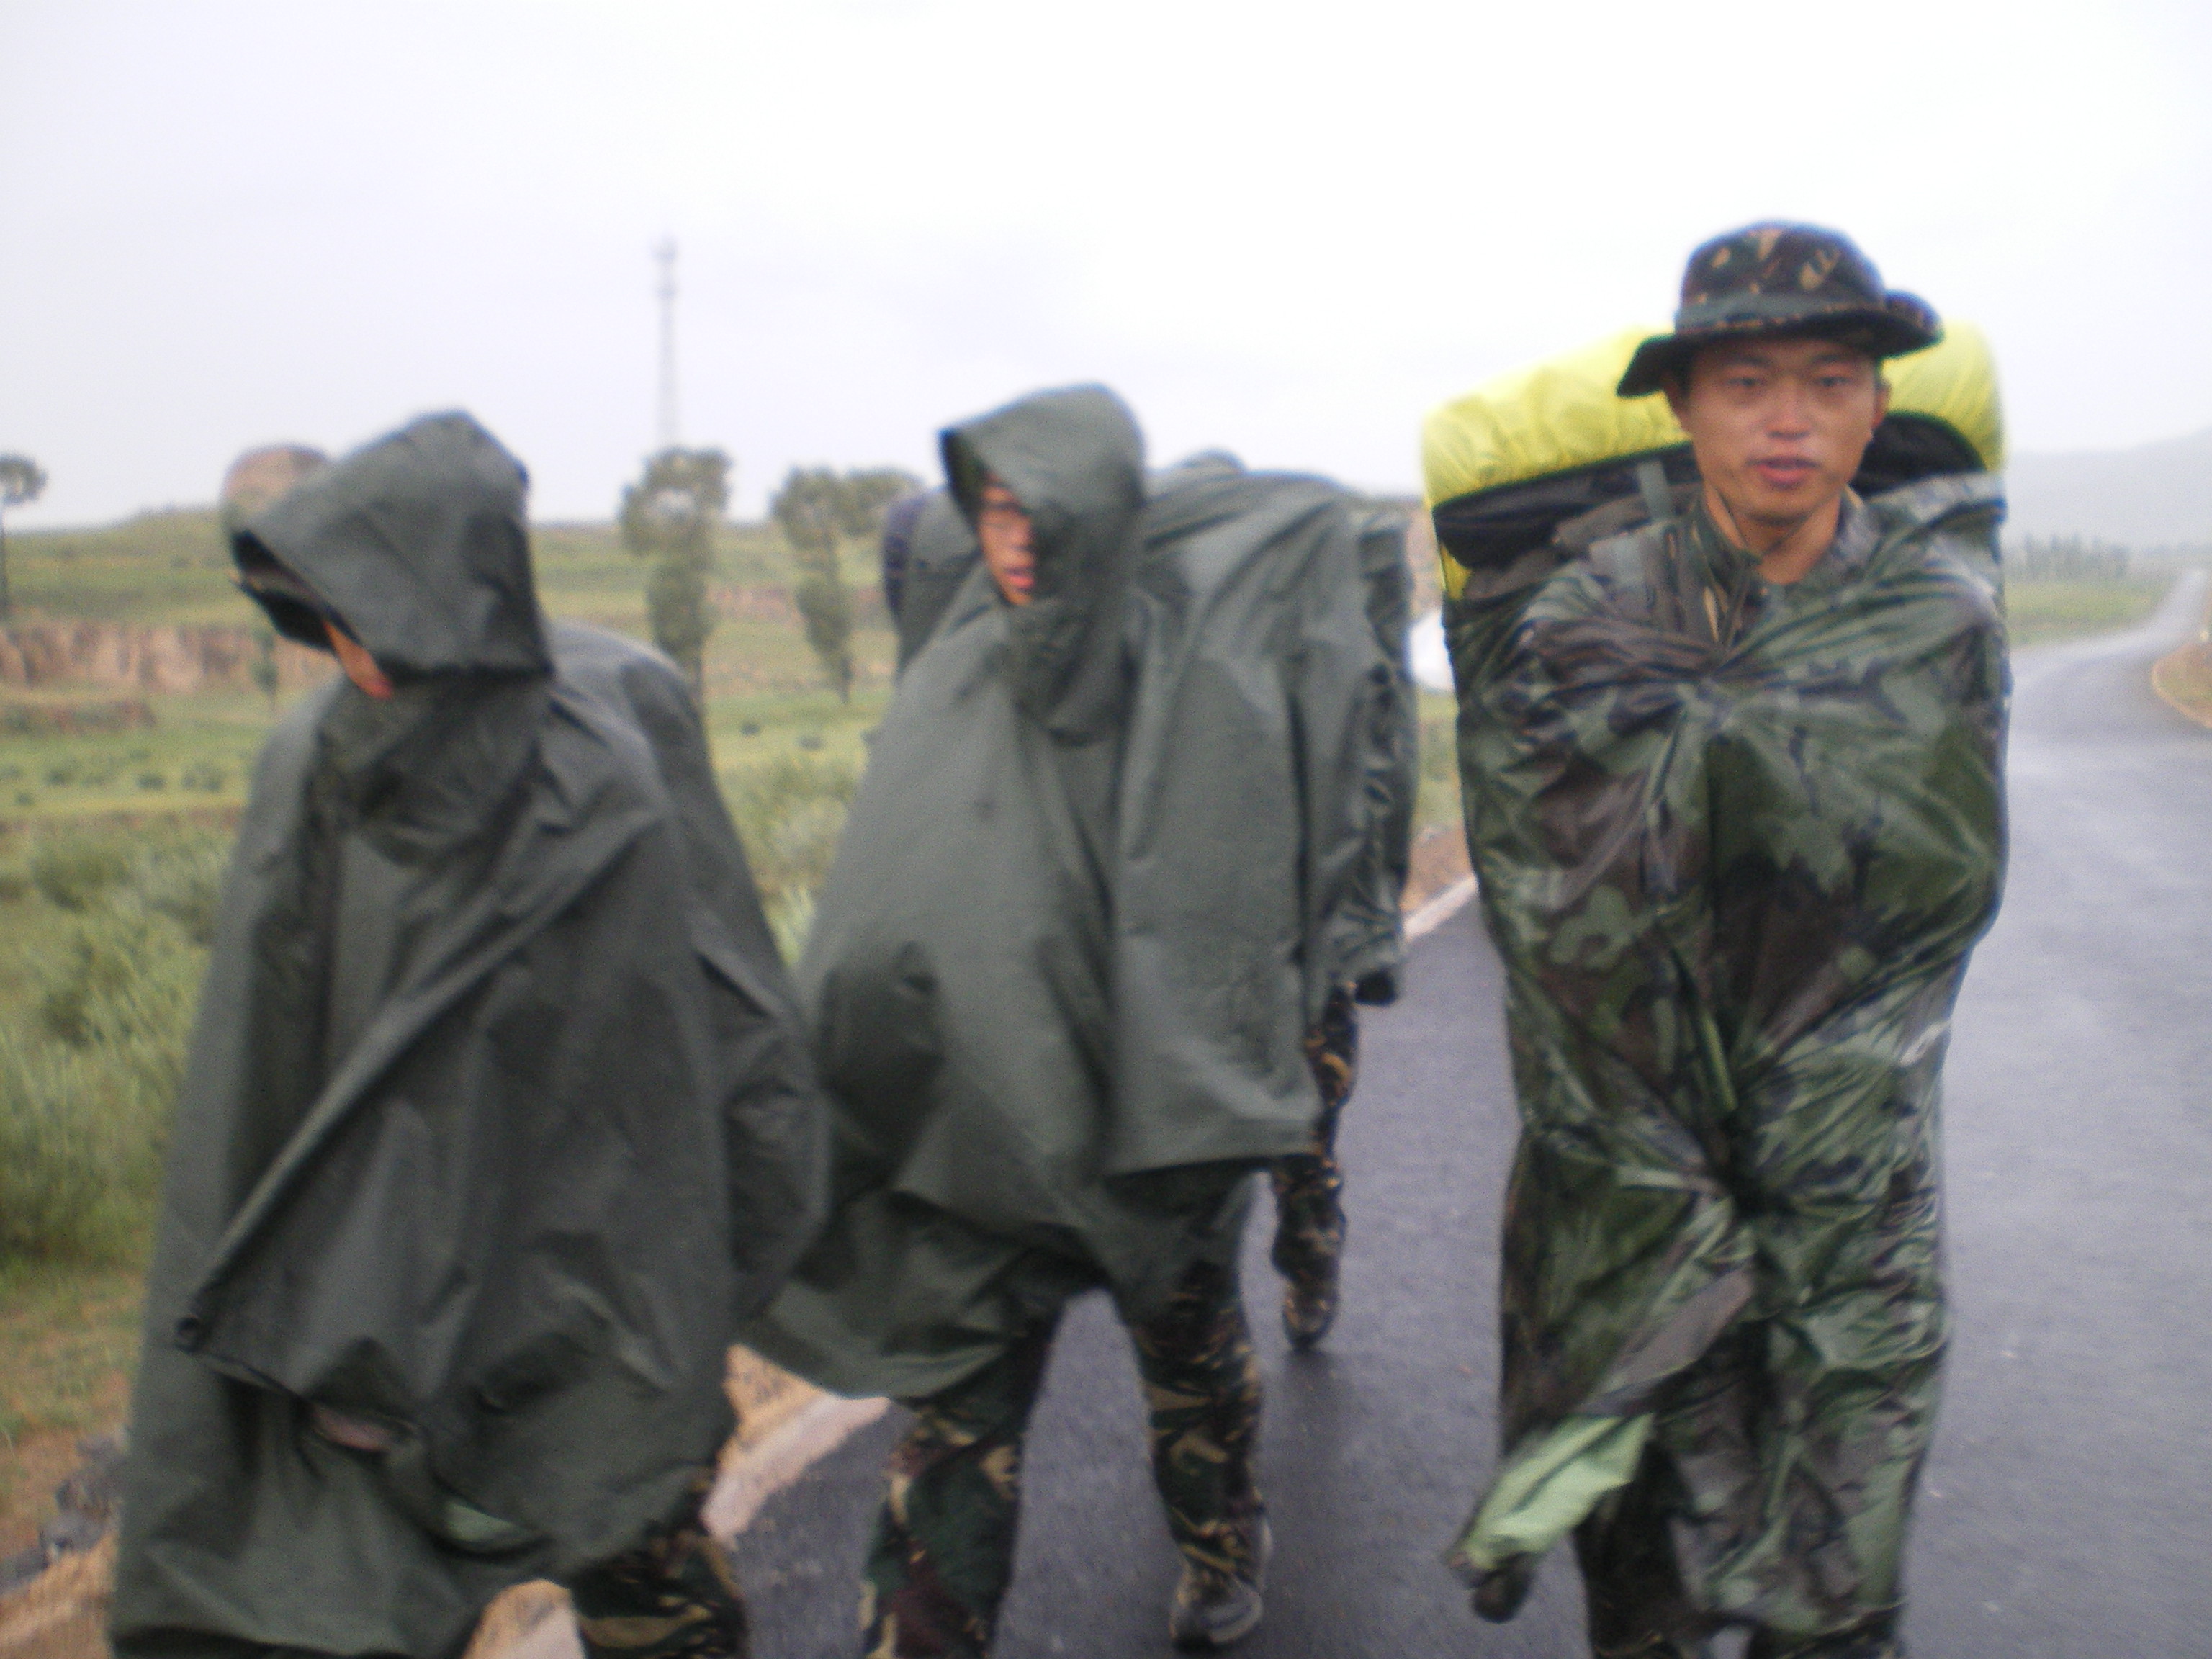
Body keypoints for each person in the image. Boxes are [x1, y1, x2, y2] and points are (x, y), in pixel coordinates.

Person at [110, 413, 827, 1659]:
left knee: (649, 1585)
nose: (355, 656)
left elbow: (715, 1028)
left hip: (598, 1316)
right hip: (385, 1341)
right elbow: (258, 1075)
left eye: (367, 616)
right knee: (376, 1607)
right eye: (324, 620)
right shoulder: (314, 767)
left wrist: (731, 1250)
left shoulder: (609, 757)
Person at [1437, 225, 2008, 1657]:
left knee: (1842, 1580)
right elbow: (1551, 919)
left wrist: (1839, 1102)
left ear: (1876, 406)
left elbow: (1940, 899)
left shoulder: (1937, 616)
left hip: (1852, 1168)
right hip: (1639, 1166)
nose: (1788, 420)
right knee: (1650, 1581)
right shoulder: (1586, 622)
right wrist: (1647, 1152)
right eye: (1747, 383)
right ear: (1683, 406)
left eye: (1829, 380)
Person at [748, 385, 1392, 1654]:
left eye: (1036, 510)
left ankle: (1221, 1540)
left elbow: (1233, 900)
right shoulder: (956, 674)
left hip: (1156, 1140)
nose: (1014, 538)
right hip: (983, 1150)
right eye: (990, 509)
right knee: (954, 1434)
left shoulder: (1194, 681)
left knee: (1191, 1358)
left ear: (1097, 512)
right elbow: (896, 897)